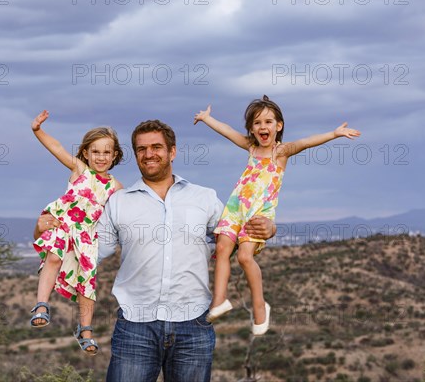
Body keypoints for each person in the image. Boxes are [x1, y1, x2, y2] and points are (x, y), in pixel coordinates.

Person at [35, 119, 274, 381]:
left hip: (194, 326)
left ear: (172, 152)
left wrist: (269, 228)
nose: (149, 154)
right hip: (134, 328)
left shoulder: (204, 198)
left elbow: (234, 238)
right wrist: (42, 231)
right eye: (142, 149)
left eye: (157, 147)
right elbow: (90, 251)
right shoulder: (117, 202)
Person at [193, 96, 361, 336]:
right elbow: (228, 131)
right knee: (222, 248)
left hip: (258, 213)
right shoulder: (250, 147)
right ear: (251, 128)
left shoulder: (281, 152)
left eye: (269, 122)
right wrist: (208, 118)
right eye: (258, 123)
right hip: (235, 208)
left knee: (244, 256)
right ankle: (219, 300)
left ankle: (260, 305)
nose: (263, 127)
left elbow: (306, 142)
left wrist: (334, 134)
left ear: (278, 126)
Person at [29, 110, 123, 355]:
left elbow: (124, 211)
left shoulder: (116, 187)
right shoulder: (81, 170)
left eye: (106, 152)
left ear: (114, 155)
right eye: (95, 152)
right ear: (85, 153)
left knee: (87, 282)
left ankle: (86, 329)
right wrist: (38, 130)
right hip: (63, 224)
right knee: (53, 258)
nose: (101, 157)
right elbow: (57, 147)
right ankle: (41, 305)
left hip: (86, 236)